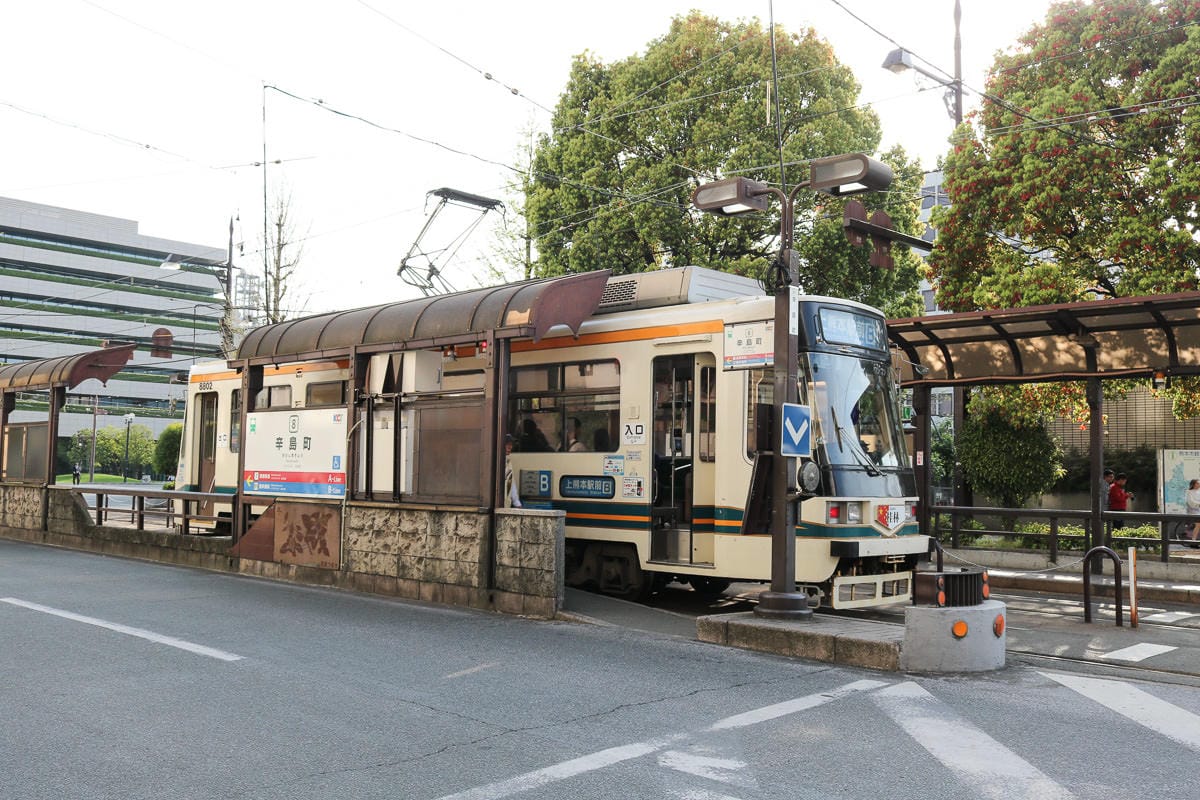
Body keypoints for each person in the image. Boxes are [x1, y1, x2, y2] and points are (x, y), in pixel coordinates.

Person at [503, 434, 521, 508]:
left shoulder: (508, 462)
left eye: (511, 444)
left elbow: (511, 482)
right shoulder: (496, 462)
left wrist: (516, 502)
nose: (510, 447)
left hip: (506, 506)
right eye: (508, 444)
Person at [1185, 478, 1200, 546]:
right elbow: (1190, 502)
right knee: (1198, 524)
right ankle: (1193, 541)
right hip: (1193, 510)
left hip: (1198, 510)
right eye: (1197, 483)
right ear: (1193, 484)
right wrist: (1198, 504)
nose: (1199, 484)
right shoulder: (1189, 492)